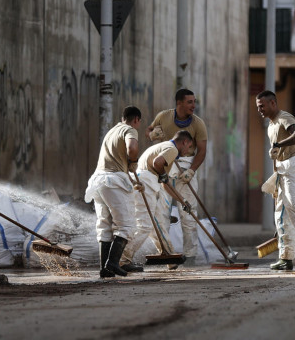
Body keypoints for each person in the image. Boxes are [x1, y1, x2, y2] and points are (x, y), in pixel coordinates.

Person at [255, 90, 295, 270]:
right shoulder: (270, 124)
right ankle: (285, 257)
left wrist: (278, 145)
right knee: (282, 216)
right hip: (282, 171)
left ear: (273, 104)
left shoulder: (284, 117)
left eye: (262, 106)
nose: (259, 109)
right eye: (257, 106)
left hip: (294, 168)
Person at [146, 89, 208, 266]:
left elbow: (202, 150)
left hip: (185, 169)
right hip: (164, 164)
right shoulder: (163, 117)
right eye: (189, 102)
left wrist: (192, 170)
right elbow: (149, 131)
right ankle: (167, 253)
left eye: (194, 101)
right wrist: (151, 134)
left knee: (188, 211)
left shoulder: (198, 123)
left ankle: (190, 255)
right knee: (161, 212)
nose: (193, 105)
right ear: (179, 103)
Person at [83, 106, 143, 278]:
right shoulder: (129, 130)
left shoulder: (111, 132)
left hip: (98, 182)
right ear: (136, 119)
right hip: (113, 182)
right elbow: (132, 147)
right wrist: (133, 161)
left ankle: (105, 268)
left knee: (105, 225)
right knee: (126, 225)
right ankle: (114, 262)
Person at [122, 130, 196, 267]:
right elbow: (157, 163)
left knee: (157, 224)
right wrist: (163, 175)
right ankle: (122, 258)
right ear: (184, 142)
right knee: (145, 226)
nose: (188, 151)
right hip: (145, 184)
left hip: (145, 183)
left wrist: (182, 201)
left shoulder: (164, 148)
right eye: (189, 147)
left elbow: (165, 184)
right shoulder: (172, 149)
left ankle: (169, 256)